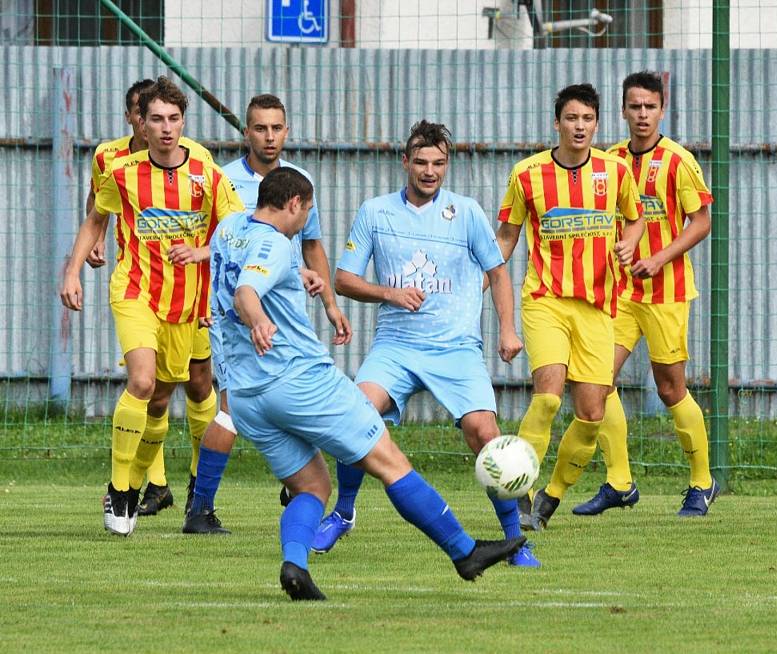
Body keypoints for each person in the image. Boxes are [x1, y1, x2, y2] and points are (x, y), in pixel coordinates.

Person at [210, 166, 525, 600]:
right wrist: (261, 319)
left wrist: (295, 278)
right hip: (299, 382)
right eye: (307, 213)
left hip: (245, 395)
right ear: (294, 204)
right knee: (390, 462)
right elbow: (247, 291)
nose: (306, 224)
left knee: (312, 485)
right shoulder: (276, 244)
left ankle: (295, 566)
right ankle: (464, 551)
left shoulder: (229, 229)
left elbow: (244, 273)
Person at [311, 120, 539, 568]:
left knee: (486, 434)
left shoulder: (467, 212)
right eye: (421, 162)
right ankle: (343, 512)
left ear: (447, 165)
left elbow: (497, 273)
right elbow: (343, 279)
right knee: (356, 413)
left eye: (438, 163)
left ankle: (516, 542)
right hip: (396, 345)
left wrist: (508, 330)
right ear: (405, 162)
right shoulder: (376, 211)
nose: (429, 171)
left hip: (455, 348)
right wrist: (388, 293)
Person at [60, 76, 243, 536]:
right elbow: (95, 219)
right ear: (141, 122)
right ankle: (120, 492)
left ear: (184, 121)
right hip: (136, 291)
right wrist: (72, 272)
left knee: (171, 395)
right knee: (141, 382)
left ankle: (184, 495)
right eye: (156, 118)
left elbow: (238, 231)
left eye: (173, 118)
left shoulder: (206, 172)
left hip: (189, 301)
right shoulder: (121, 171)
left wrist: (203, 255)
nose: (165, 128)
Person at [182, 93, 351, 534]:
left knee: (299, 397)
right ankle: (199, 506)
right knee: (230, 409)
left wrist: (329, 301)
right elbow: (217, 246)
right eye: (261, 128)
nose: (269, 136)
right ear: (247, 132)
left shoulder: (298, 181)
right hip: (243, 314)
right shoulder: (224, 181)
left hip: (287, 311)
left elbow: (310, 245)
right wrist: (212, 303)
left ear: (287, 131)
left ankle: (299, 488)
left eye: (277, 128)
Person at [495, 83, 644, 531]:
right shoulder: (526, 174)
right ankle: (519, 493)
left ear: (597, 124)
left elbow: (634, 219)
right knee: (546, 397)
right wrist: (480, 279)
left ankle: (551, 498)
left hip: (598, 306)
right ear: (557, 122)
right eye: (571, 118)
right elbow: (505, 237)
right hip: (546, 301)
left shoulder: (616, 172)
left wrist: (629, 243)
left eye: (588, 119)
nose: (579, 127)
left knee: (592, 416)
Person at [572, 71, 717, 518]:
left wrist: (658, 258)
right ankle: (619, 482)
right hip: (619, 294)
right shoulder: (610, 161)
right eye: (634, 107)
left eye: (649, 107)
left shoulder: (678, 161)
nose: (641, 115)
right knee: (598, 381)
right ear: (622, 110)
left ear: (661, 109)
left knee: (671, 389)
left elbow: (702, 222)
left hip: (666, 292)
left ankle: (702, 482)